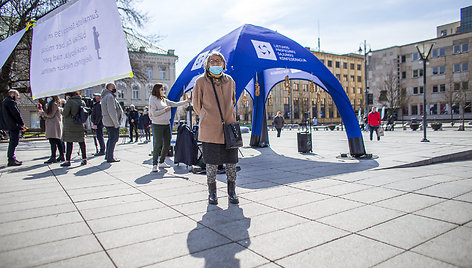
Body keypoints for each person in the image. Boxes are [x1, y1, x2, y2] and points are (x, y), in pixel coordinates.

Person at [193, 51, 239, 205]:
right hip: (209, 129)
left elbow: (233, 100)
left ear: (223, 64)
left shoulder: (230, 81)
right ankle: (212, 193)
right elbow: (196, 106)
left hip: (228, 129)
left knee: (231, 162)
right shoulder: (200, 82)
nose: (215, 63)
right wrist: (208, 116)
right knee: (211, 163)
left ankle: (231, 191)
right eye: (212, 61)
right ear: (207, 65)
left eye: (218, 61)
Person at [149, 83, 188, 171]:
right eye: (162, 89)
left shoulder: (164, 99)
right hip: (157, 124)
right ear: (157, 90)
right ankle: (154, 164)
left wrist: (186, 101)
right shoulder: (153, 99)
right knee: (158, 143)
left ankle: (162, 161)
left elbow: (174, 104)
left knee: (167, 143)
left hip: (166, 123)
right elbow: (153, 113)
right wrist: (165, 110)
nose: (163, 91)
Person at [61, 91, 87, 167]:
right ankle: (84, 159)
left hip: (70, 124)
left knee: (69, 142)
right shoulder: (82, 101)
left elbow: (65, 113)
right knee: (81, 142)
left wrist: (63, 107)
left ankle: (68, 160)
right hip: (79, 124)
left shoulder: (69, 102)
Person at [101, 83, 123, 163]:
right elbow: (112, 111)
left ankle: (108, 155)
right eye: (114, 87)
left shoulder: (106, 96)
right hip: (111, 122)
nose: (115, 89)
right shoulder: (110, 97)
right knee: (113, 139)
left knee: (111, 139)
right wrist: (116, 123)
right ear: (110, 88)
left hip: (108, 121)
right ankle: (110, 157)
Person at [2, 89, 24, 166]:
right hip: (13, 125)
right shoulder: (11, 102)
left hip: (9, 125)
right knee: (14, 142)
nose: (17, 97)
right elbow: (16, 114)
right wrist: (22, 123)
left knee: (12, 141)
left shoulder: (5, 101)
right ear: (12, 95)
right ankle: (11, 159)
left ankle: (12, 158)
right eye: (17, 95)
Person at [39, 96, 65, 164]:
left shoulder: (53, 104)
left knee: (53, 141)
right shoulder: (53, 104)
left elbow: (51, 115)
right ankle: (61, 156)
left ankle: (53, 157)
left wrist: (43, 113)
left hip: (53, 125)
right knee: (57, 140)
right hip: (53, 124)